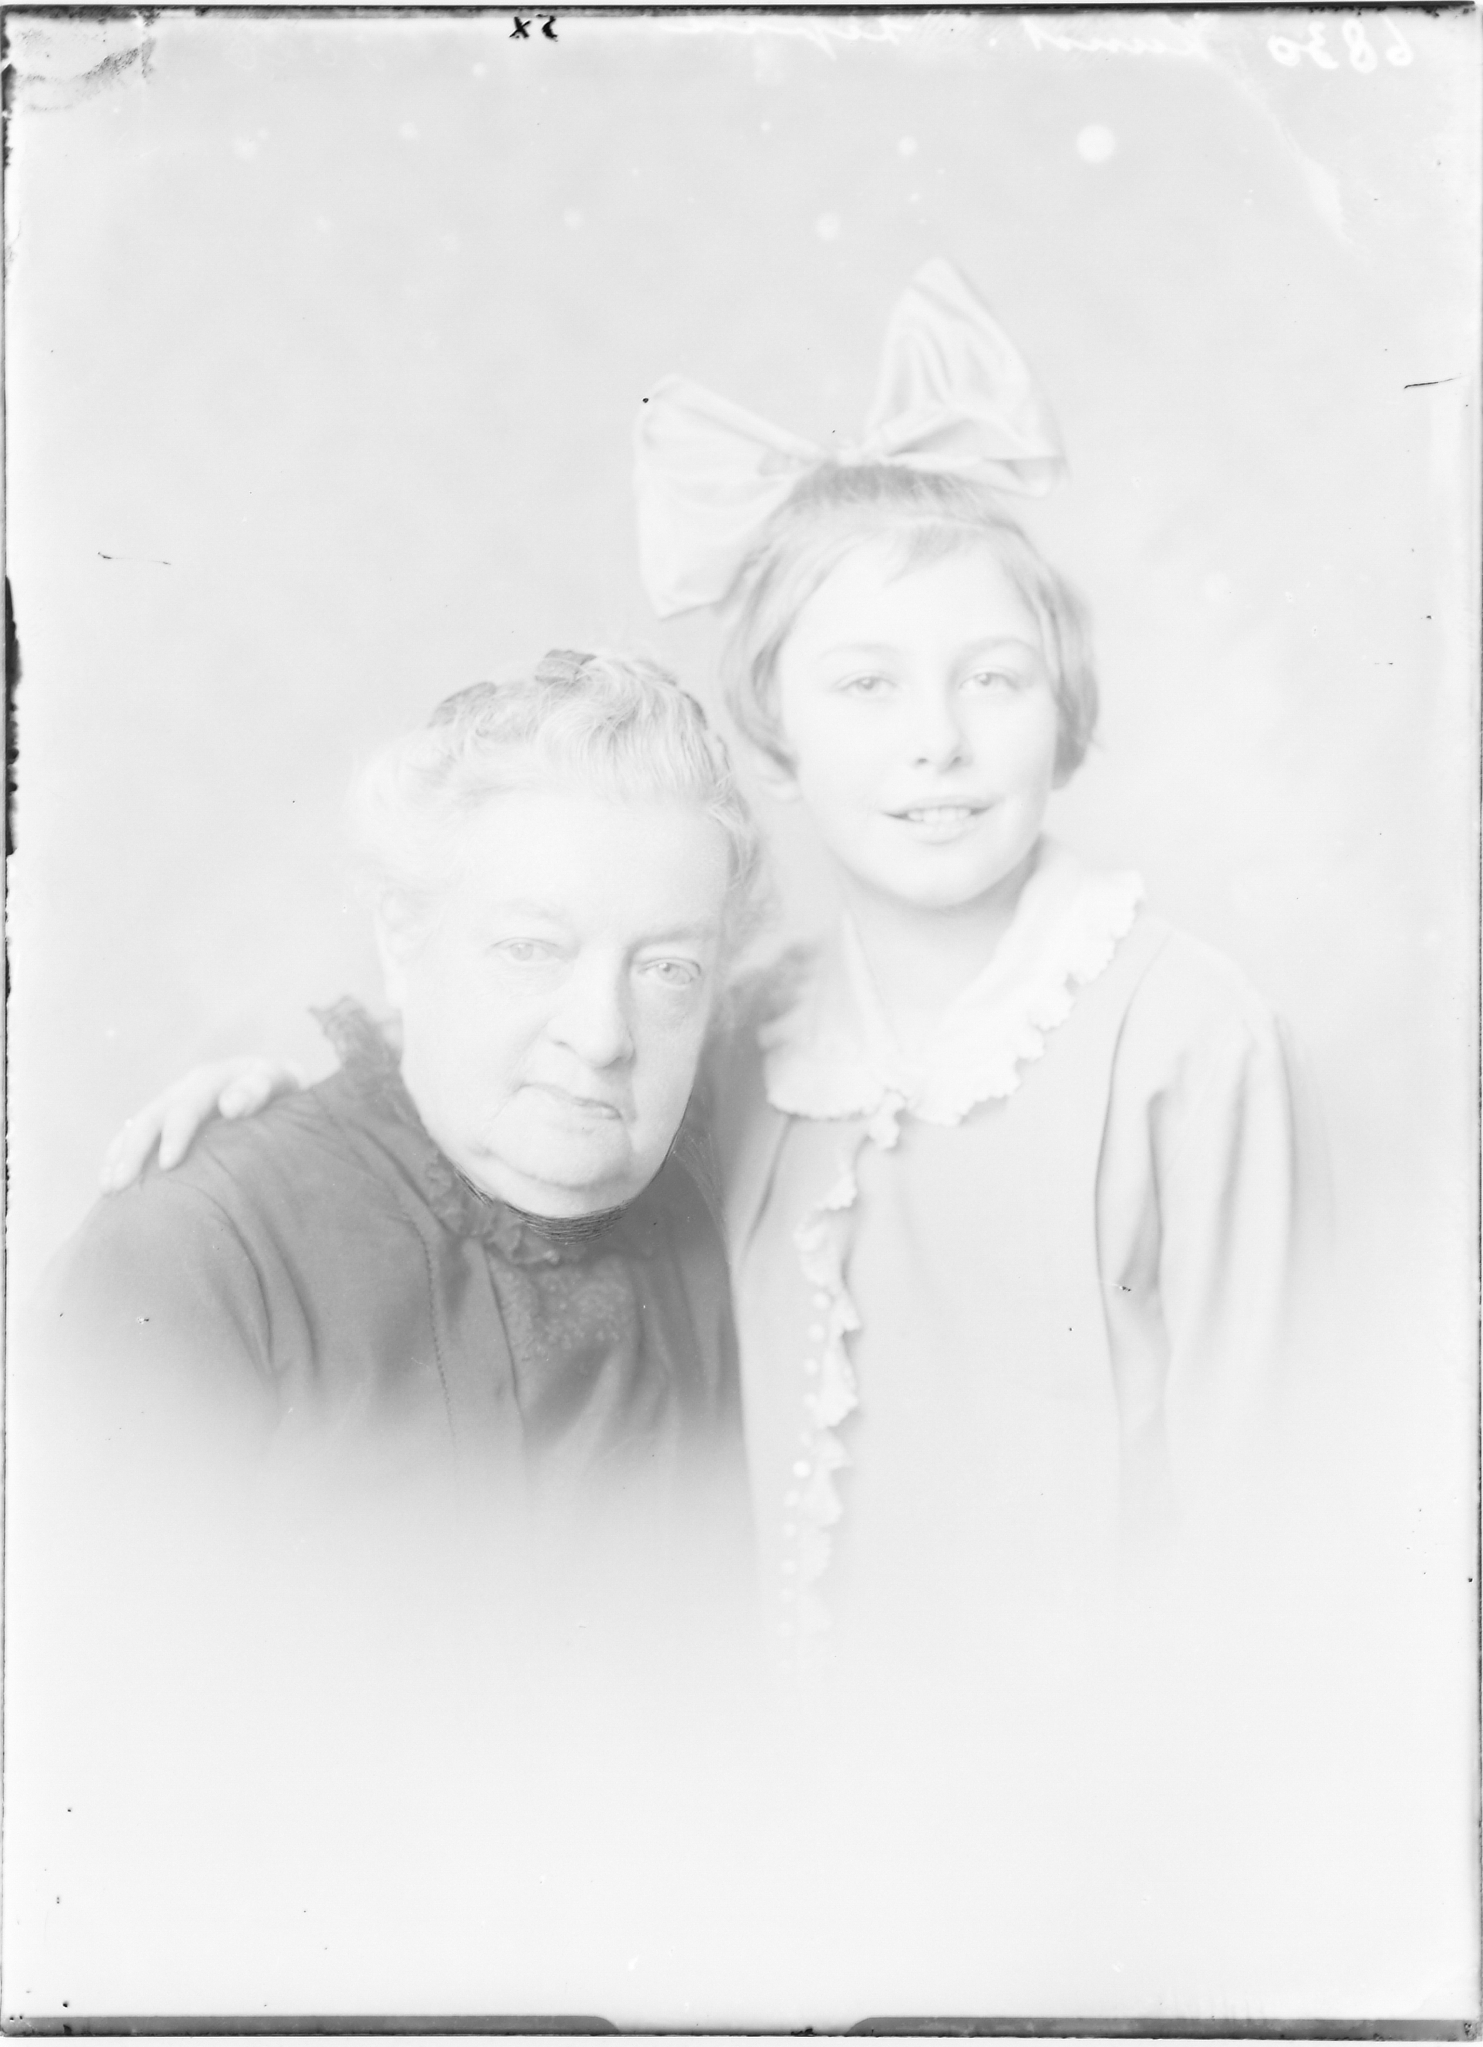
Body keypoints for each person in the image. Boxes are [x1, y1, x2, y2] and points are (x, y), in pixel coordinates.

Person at [98, 265, 1326, 1704]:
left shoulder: (1185, 1040)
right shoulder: (742, 1031)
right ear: (775, 732)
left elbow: (1278, 1509)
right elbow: (506, 1072)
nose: (935, 740)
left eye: (993, 679)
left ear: (1064, 710)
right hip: (785, 1773)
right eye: (865, 684)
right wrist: (285, 1085)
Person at [34, 649, 762, 1639]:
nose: (601, 1035)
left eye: (668, 968)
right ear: (400, 938)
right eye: (530, 949)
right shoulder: (199, 1253)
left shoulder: (739, 1219)